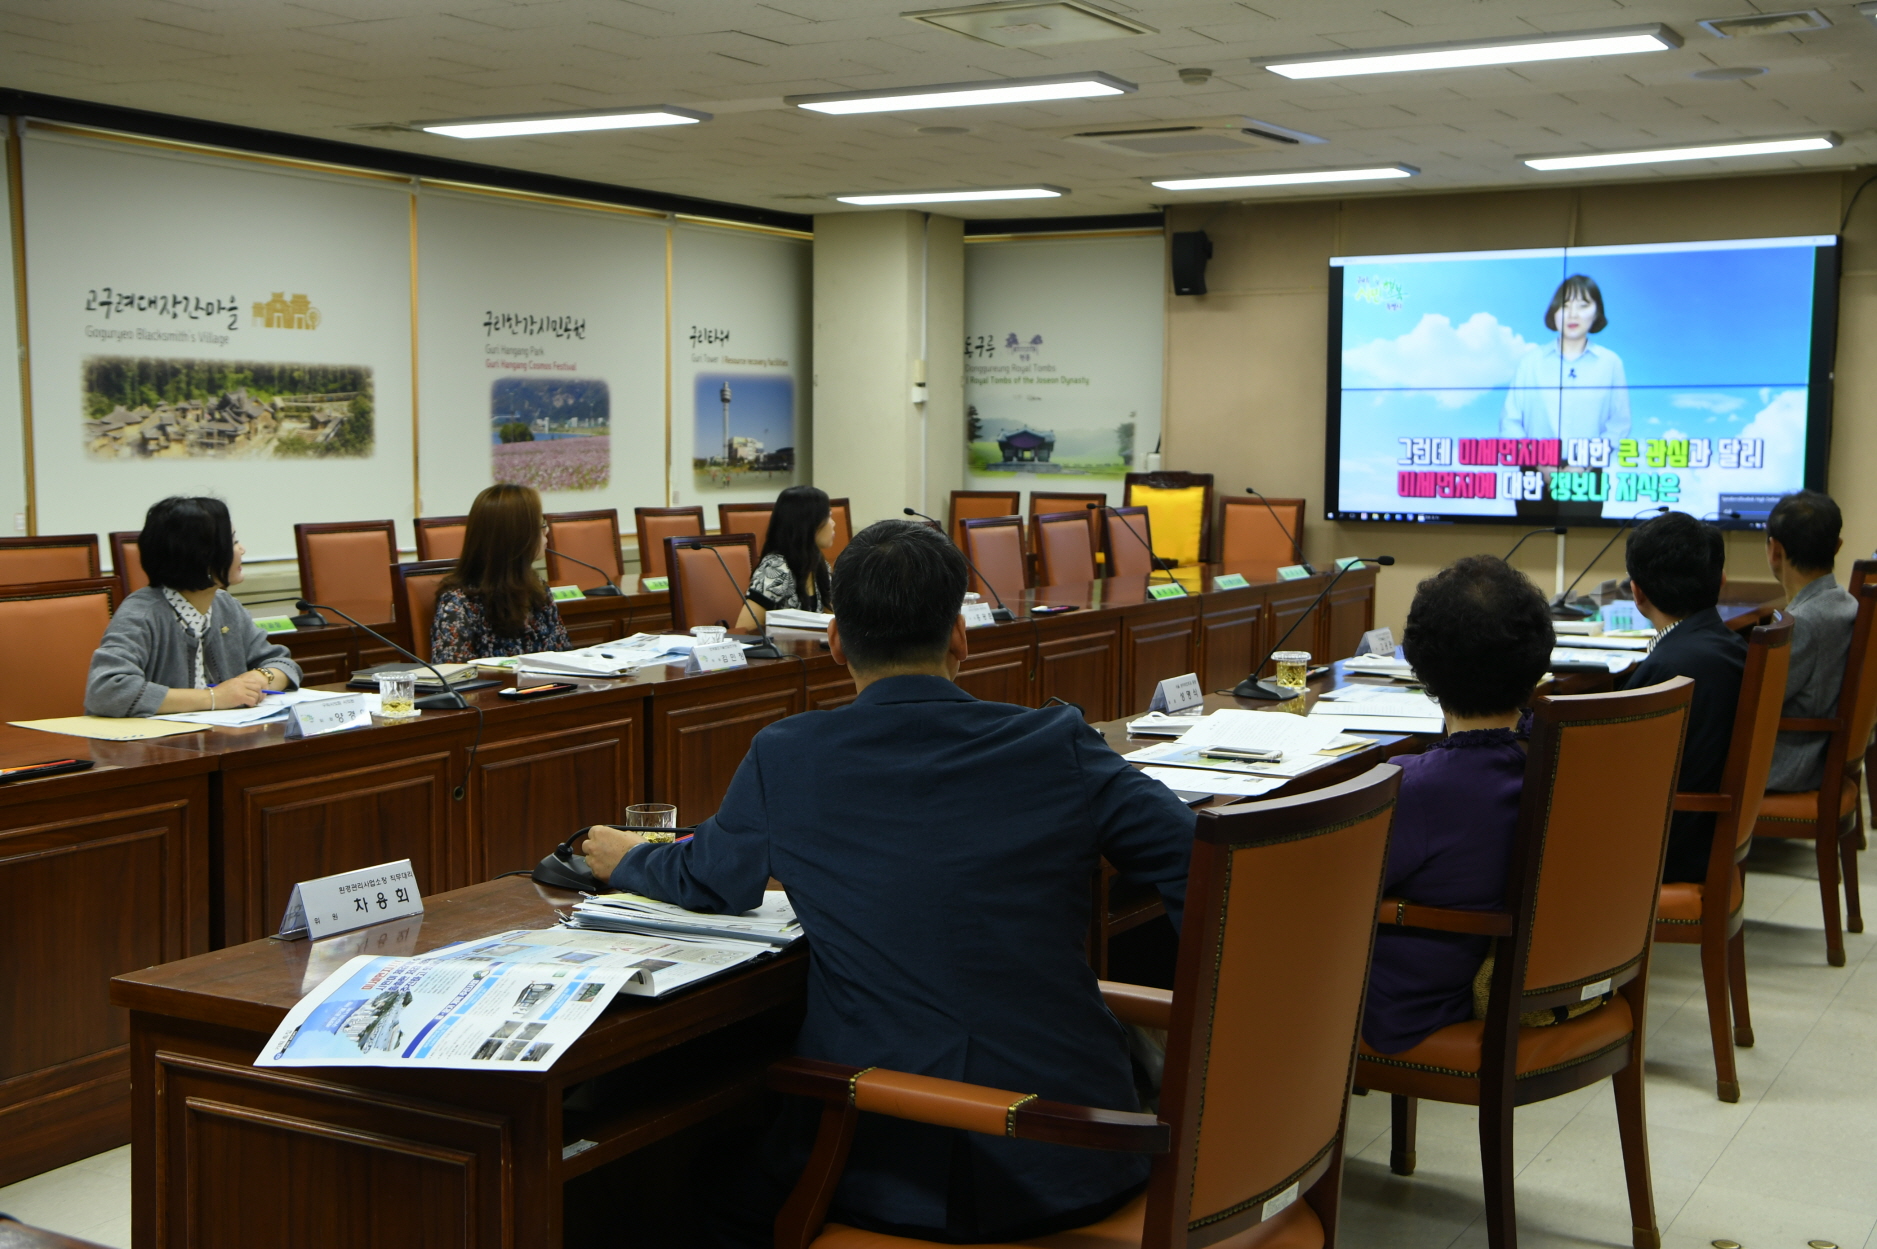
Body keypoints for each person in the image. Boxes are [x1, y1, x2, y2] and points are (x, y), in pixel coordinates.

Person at [581, 519, 1196, 1245]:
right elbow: (1205, 863)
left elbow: (712, 878)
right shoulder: (1059, 743)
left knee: (702, 1186)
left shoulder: (789, 754)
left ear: (835, 640)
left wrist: (625, 856)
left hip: (891, 1165)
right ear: (961, 636)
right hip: (1089, 1150)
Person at [1362, 555, 1555, 1055]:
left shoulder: (1419, 788)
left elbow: (1334, 893)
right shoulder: (1555, 752)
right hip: (1514, 980)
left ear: (1421, 663)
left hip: (1411, 1009)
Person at [86, 496, 301, 717]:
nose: (242, 550)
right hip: (156, 746)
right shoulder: (142, 613)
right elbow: (106, 691)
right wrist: (215, 698)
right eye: (233, 542)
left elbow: (283, 663)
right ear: (201, 555)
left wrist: (261, 676)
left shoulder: (226, 605)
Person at [1621, 511, 1745, 882]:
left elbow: (1612, 772)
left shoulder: (1668, 673)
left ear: (1637, 592)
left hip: (1665, 850)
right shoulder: (1731, 647)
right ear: (1720, 582)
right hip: (1703, 837)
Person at [1502, 274, 1631, 521]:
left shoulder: (1610, 363)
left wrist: (1582, 465)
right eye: (1565, 305)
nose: (1573, 314)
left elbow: (1619, 423)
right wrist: (1540, 463)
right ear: (1554, 312)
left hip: (1587, 472)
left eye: (1583, 305)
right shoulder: (1531, 361)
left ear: (1596, 312)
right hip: (1534, 470)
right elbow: (1510, 421)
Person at [1763, 490, 1858, 793]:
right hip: (1817, 755)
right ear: (1837, 547)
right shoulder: (1844, 602)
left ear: (1774, 550)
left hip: (1790, 764)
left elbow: (1761, 701)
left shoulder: (1803, 622)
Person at [430, 484, 570, 663]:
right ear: (517, 536)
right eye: (541, 524)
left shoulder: (538, 589)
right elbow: (454, 679)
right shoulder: (458, 604)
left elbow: (563, 657)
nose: (547, 530)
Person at [734, 484, 834, 632]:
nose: (833, 523)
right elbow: (744, 629)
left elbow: (833, 622)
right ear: (808, 524)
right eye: (829, 516)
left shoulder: (819, 565)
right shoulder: (777, 568)